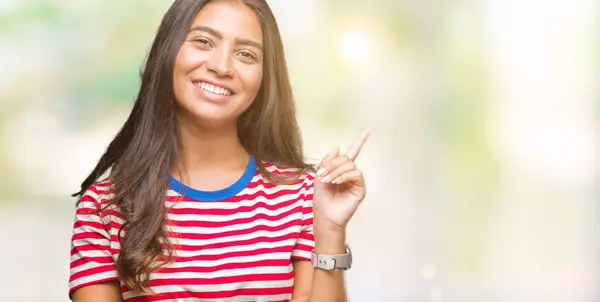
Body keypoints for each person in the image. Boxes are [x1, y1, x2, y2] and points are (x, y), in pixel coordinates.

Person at [68, 0, 370, 301]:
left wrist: (330, 230)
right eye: (203, 41)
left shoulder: (301, 194)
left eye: (246, 54)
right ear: (168, 50)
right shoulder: (104, 205)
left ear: (265, 76)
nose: (221, 67)